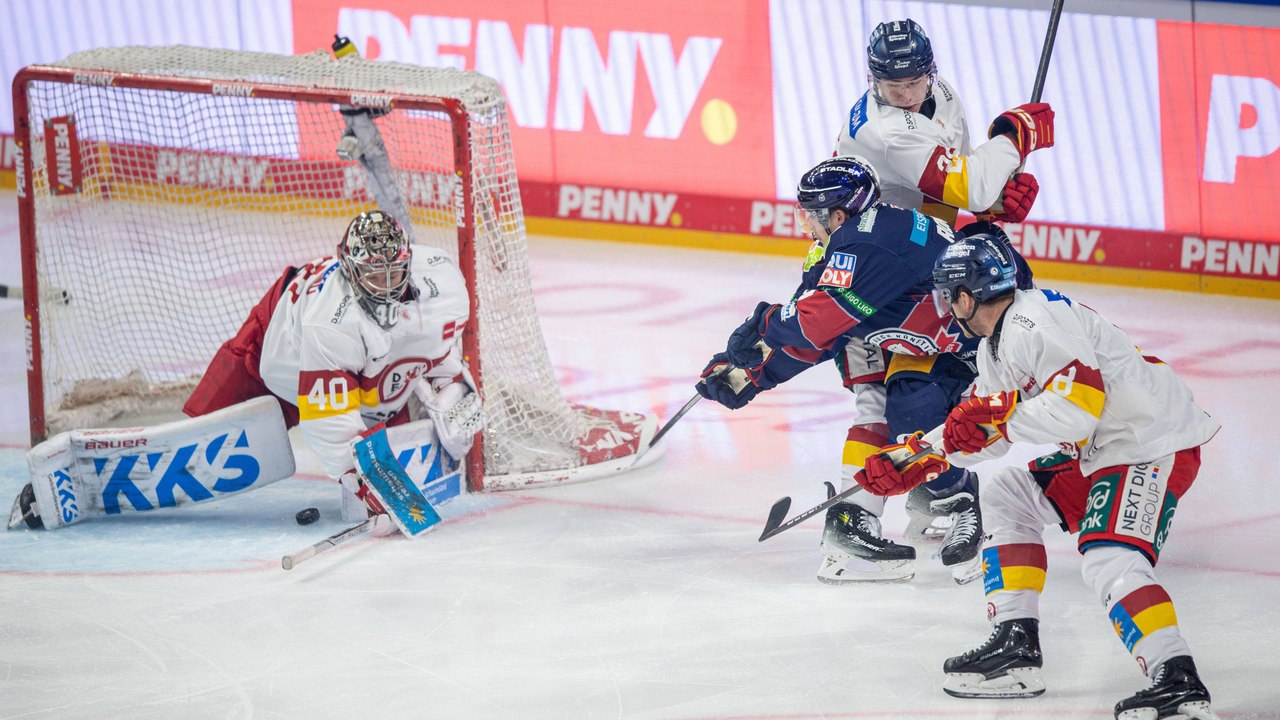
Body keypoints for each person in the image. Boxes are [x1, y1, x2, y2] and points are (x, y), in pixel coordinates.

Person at [852, 232, 1221, 719]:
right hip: (1105, 450)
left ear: (965, 295)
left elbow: (1077, 409)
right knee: (1007, 493)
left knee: (1108, 555)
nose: (946, 306)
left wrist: (995, 418)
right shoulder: (995, 348)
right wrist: (918, 458)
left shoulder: (1034, 319)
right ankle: (1015, 644)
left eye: (947, 295)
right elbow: (987, 434)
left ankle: (1177, 679)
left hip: (1148, 444)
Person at [697, 155, 1029, 584]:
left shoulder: (868, 245)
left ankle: (956, 496)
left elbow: (814, 323)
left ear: (837, 213)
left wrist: (763, 326)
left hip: (977, 345)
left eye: (810, 216)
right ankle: (857, 518)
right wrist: (753, 374)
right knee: (888, 400)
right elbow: (816, 334)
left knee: (928, 414)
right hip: (918, 343)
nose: (806, 226)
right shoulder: (850, 241)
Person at [827, 17, 1055, 555]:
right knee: (875, 400)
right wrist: (1012, 137)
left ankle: (919, 503)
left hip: (910, 261)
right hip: (867, 269)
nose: (903, 95)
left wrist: (990, 208)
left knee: (895, 396)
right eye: (890, 85)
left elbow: (950, 194)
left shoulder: (942, 97)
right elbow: (970, 180)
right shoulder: (881, 128)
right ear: (871, 78)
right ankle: (864, 516)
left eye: (911, 83)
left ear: (932, 73)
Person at [183, 210, 482, 525]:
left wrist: (453, 385)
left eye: (393, 274)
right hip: (277, 348)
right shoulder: (331, 323)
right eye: (374, 276)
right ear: (351, 271)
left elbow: (433, 345)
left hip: (366, 376)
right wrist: (366, 485)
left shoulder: (443, 282)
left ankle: (380, 413)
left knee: (384, 425)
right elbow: (328, 421)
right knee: (203, 443)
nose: (386, 287)